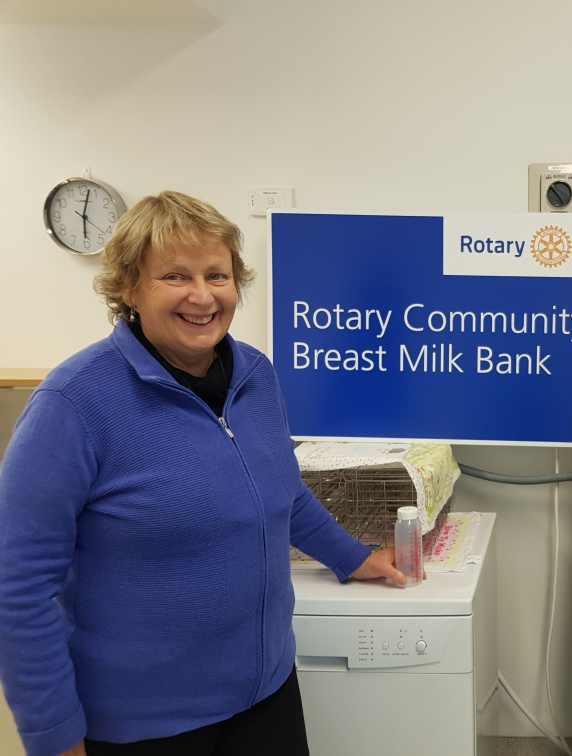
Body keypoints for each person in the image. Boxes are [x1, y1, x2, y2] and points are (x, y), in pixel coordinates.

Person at [0, 191, 408, 756]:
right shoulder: (73, 403)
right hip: (144, 723)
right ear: (129, 288)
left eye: (217, 275)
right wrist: (55, 737)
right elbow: (18, 586)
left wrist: (353, 557)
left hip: (266, 694)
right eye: (175, 276)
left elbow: (282, 489)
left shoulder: (256, 375)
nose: (202, 295)